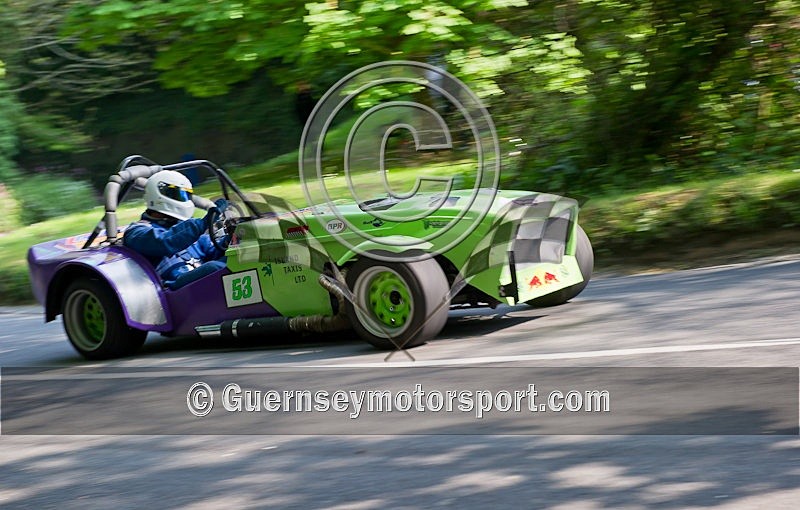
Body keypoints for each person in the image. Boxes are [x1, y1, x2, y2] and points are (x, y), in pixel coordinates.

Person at [123, 170, 228, 290]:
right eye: (180, 195)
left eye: (187, 195)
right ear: (160, 195)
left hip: (200, 282)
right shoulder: (136, 232)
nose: (186, 200)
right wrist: (203, 223)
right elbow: (165, 242)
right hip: (174, 290)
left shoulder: (182, 227)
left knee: (238, 259)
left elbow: (213, 251)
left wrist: (232, 238)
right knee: (215, 269)